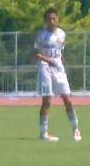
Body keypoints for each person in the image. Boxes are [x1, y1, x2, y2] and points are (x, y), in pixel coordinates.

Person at [32, 8, 80, 142]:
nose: (51, 21)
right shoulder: (41, 35)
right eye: (49, 19)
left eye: (54, 18)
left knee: (67, 98)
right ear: (45, 21)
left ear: (58, 19)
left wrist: (62, 62)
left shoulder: (62, 34)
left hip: (58, 69)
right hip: (45, 67)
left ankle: (76, 128)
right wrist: (48, 60)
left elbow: (60, 51)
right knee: (47, 100)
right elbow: (36, 53)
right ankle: (43, 133)